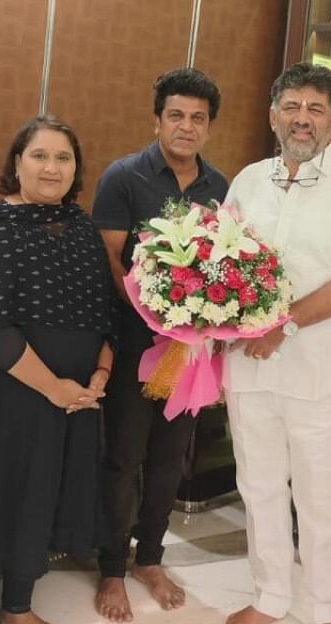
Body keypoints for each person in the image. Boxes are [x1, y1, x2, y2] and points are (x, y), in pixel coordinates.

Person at [222, 62, 331, 624]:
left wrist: (284, 323)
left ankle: (320, 610)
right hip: (247, 370)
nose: (303, 119)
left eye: (316, 109)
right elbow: (219, 266)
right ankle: (270, 599)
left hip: (318, 373)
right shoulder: (247, 180)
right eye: (292, 107)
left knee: (319, 498)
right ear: (273, 116)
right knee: (259, 487)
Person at [0, 116, 115, 624]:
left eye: (63, 158)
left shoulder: (85, 228)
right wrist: (53, 388)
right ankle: (6, 610)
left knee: (51, 493)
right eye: (39, 156)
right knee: (15, 496)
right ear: (17, 163)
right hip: (18, 393)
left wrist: (100, 376)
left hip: (77, 397)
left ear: (76, 168)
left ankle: (18, 604)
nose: (52, 168)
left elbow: (106, 313)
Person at [92, 68, 229, 622]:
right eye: (176, 115)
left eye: (198, 118)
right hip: (135, 344)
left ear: (209, 127)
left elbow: (222, 264)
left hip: (187, 355)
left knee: (172, 460)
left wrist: (198, 329)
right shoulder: (124, 177)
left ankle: (150, 557)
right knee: (123, 457)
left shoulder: (218, 187)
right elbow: (109, 261)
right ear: (157, 119)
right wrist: (156, 314)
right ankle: (110, 567)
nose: (186, 127)